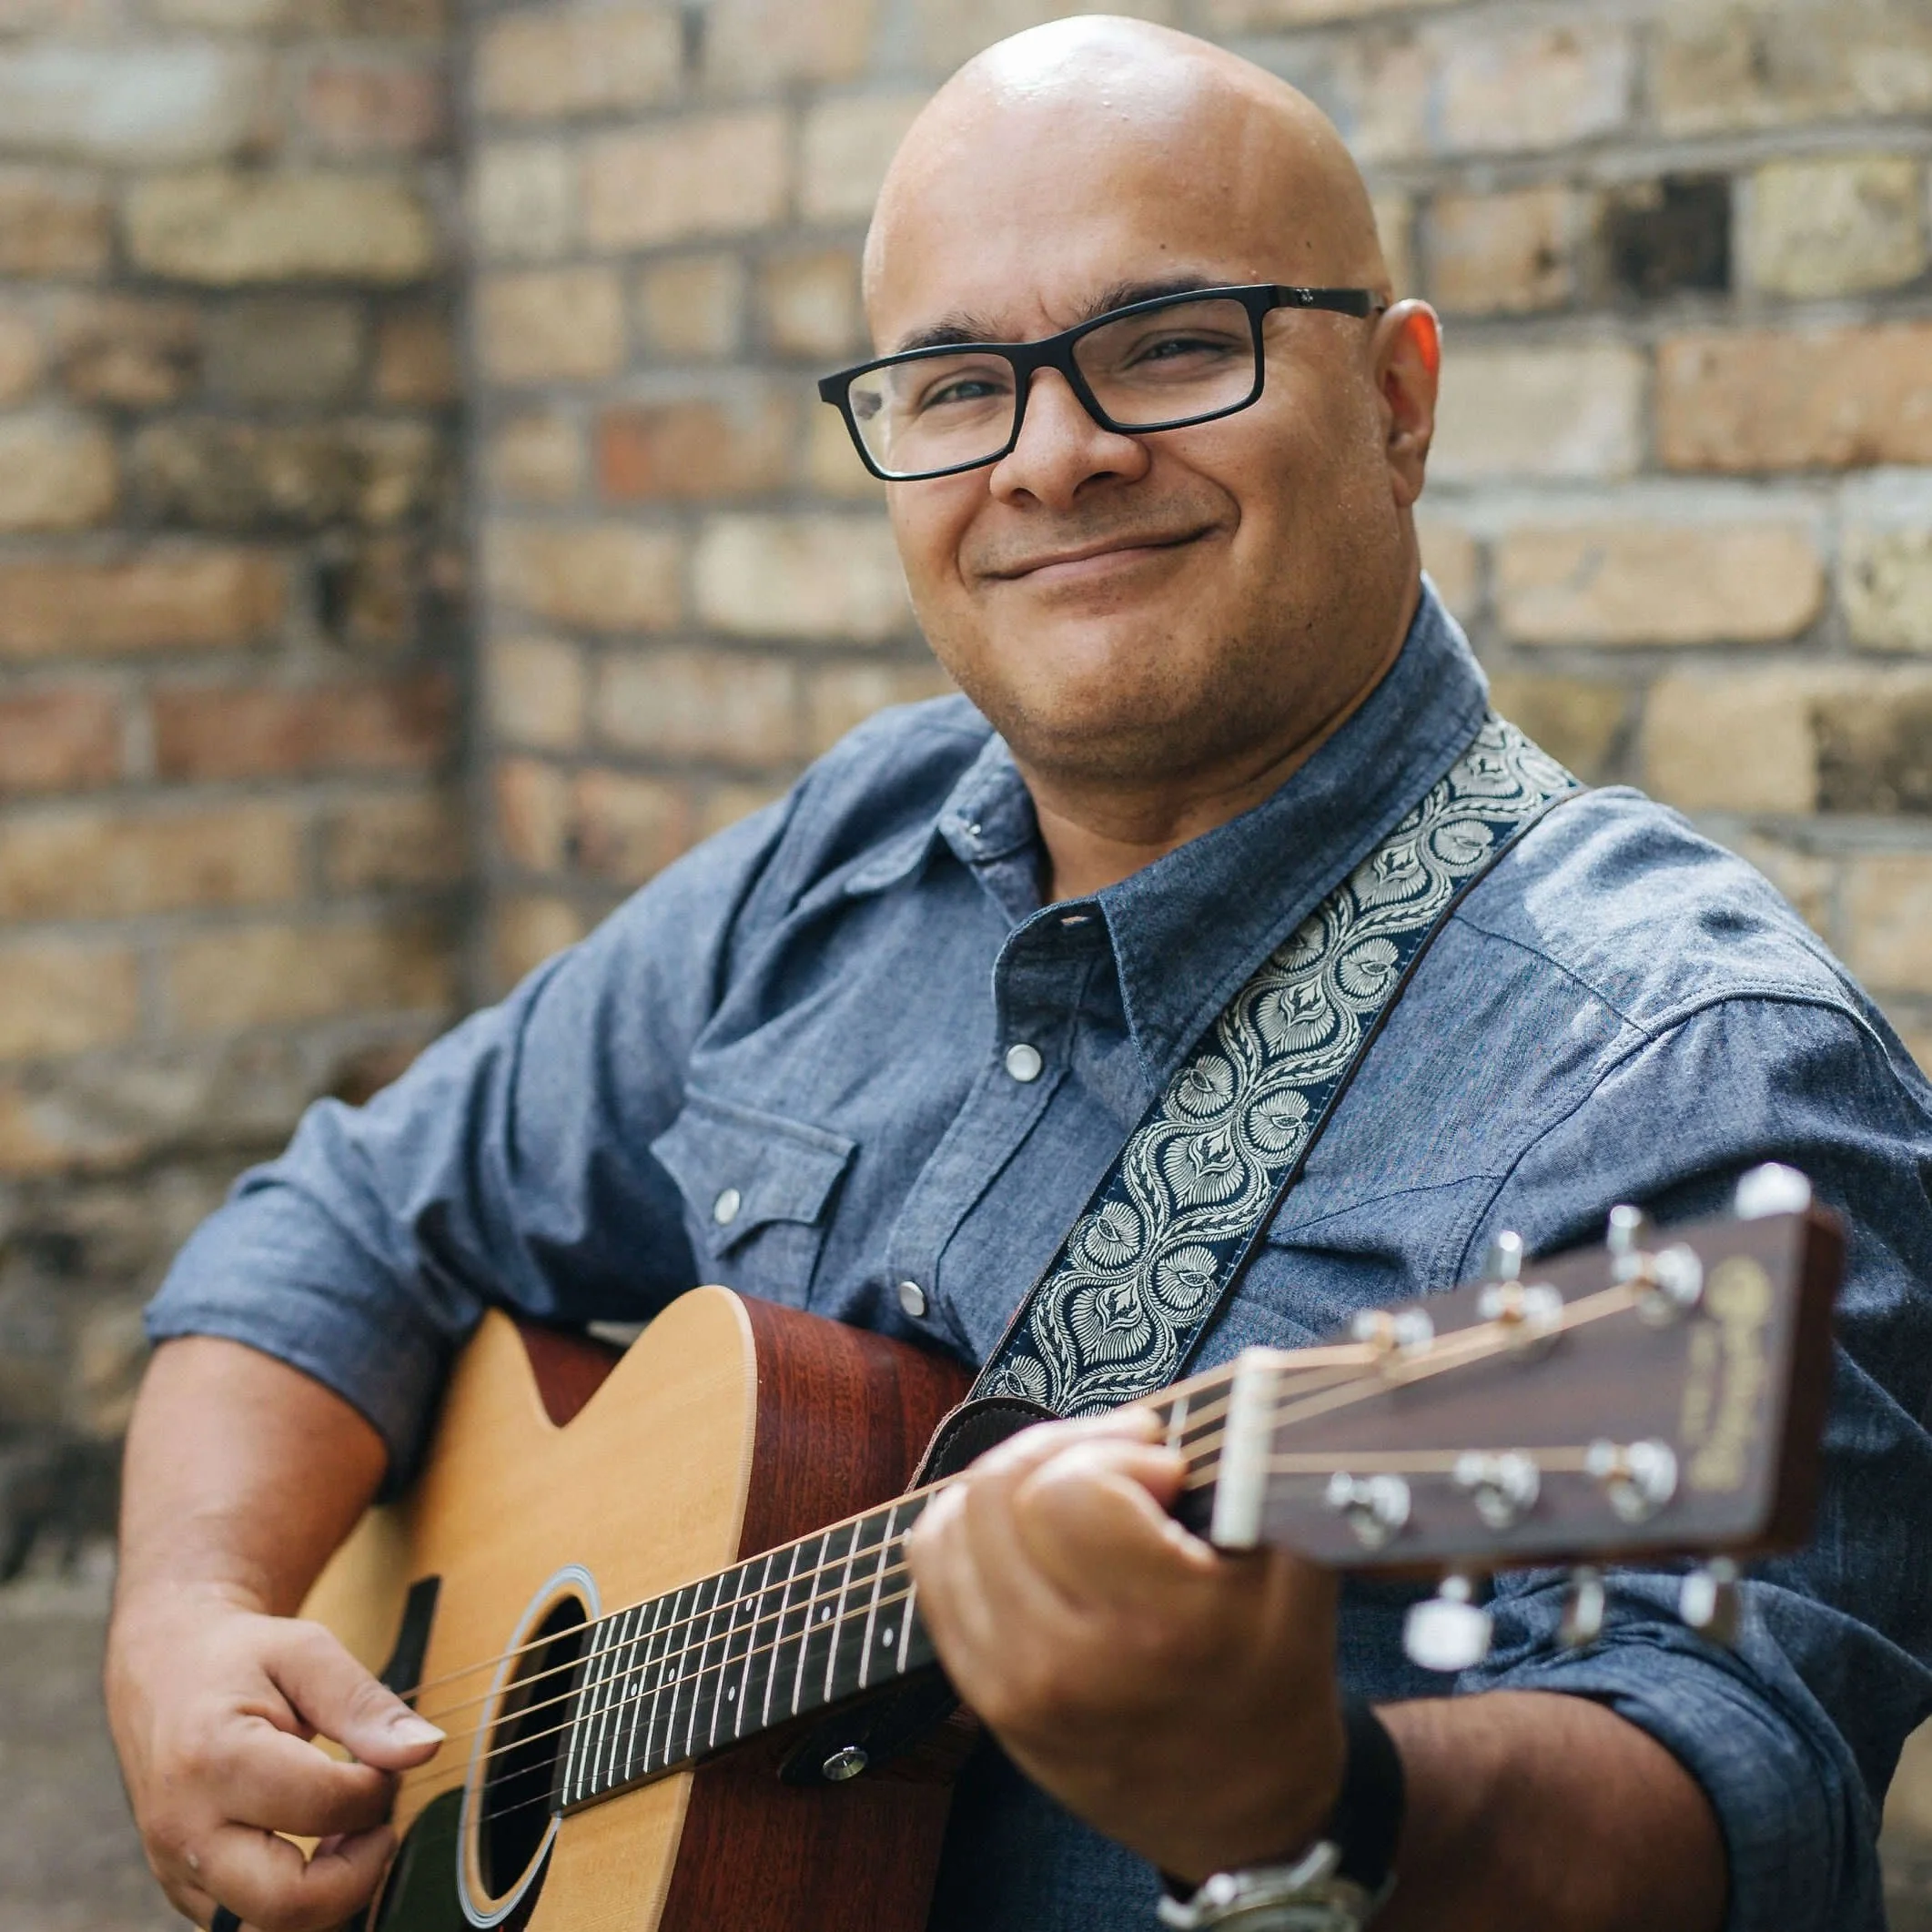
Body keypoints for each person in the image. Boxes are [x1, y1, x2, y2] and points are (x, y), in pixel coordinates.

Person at [105, 17, 1932, 1932]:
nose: (1052, 456)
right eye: (956, 383)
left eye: (1167, 344)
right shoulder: (854, 842)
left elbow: (1747, 1812)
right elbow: (344, 1219)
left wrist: (1312, 1793)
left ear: (1396, 401)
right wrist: (184, 1617)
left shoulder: (1686, 1060)